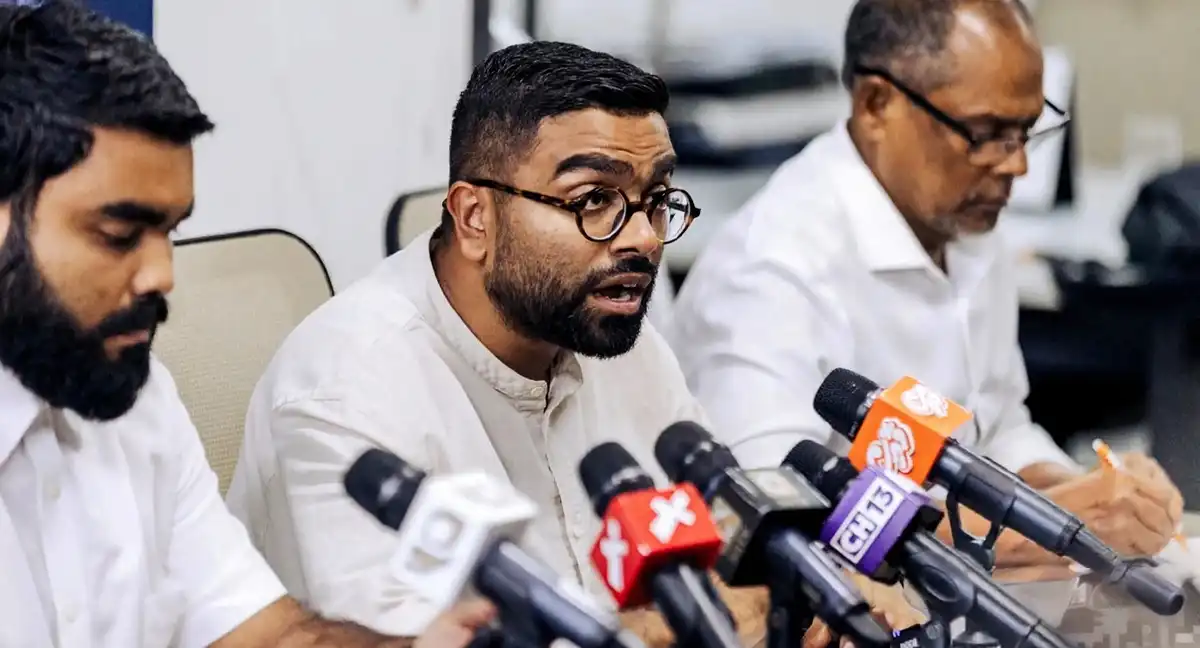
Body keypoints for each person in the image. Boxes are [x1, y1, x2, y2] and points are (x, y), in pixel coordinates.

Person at [226, 40, 922, 646]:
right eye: (594, 200)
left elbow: (730, 546)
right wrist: (687, 624)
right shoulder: (344, 394)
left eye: (657, 199)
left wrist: (816, 590)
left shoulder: (614, 334)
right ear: (474, 217)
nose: (643, 237)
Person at [0, 2, 492, 646]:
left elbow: (266, 634)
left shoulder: (136, 398)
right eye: (119, 234)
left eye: (171, 232)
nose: (163, 274)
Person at [672, 0, 1184, 566]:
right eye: (986, 133)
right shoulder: (767, 273)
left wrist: (1089, 494)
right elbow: (775, 522)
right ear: (876, 104)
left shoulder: (962, 221)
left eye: (1027, 130)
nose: (1016, 165)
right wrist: (1048, 526)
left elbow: (997, 431)